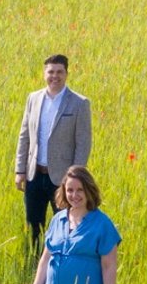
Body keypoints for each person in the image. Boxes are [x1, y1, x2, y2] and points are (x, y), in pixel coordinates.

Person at [15, 54, 92, 253]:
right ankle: (34, 270)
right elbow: (24, 136)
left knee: (65, 226)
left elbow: (83, 143)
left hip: (62, 180)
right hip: (34, 175)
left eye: (59, 72)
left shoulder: (79, 103)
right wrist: (19, 171)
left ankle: (62, 265)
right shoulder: (33, 98)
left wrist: (74, 179)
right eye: (50, 72)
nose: (54, 76)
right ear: (44, 73)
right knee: (34, 226)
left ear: (66, 74)